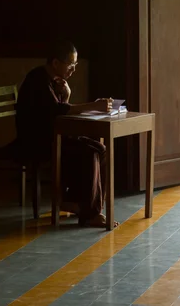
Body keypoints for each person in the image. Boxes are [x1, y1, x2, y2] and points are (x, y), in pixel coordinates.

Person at [16, 39, 115, 228]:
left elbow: (58, 110)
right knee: (89, 152)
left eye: (76, 65)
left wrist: (67, 96)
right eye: (71, 64)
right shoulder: (38, 80)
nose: (74, 70)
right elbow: (57, 111)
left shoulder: (55, 81)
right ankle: (88, 212)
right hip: (37, 140)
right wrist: (94, 105)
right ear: (55, 63)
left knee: (100, 148)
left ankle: (81, 205)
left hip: (53, 135)